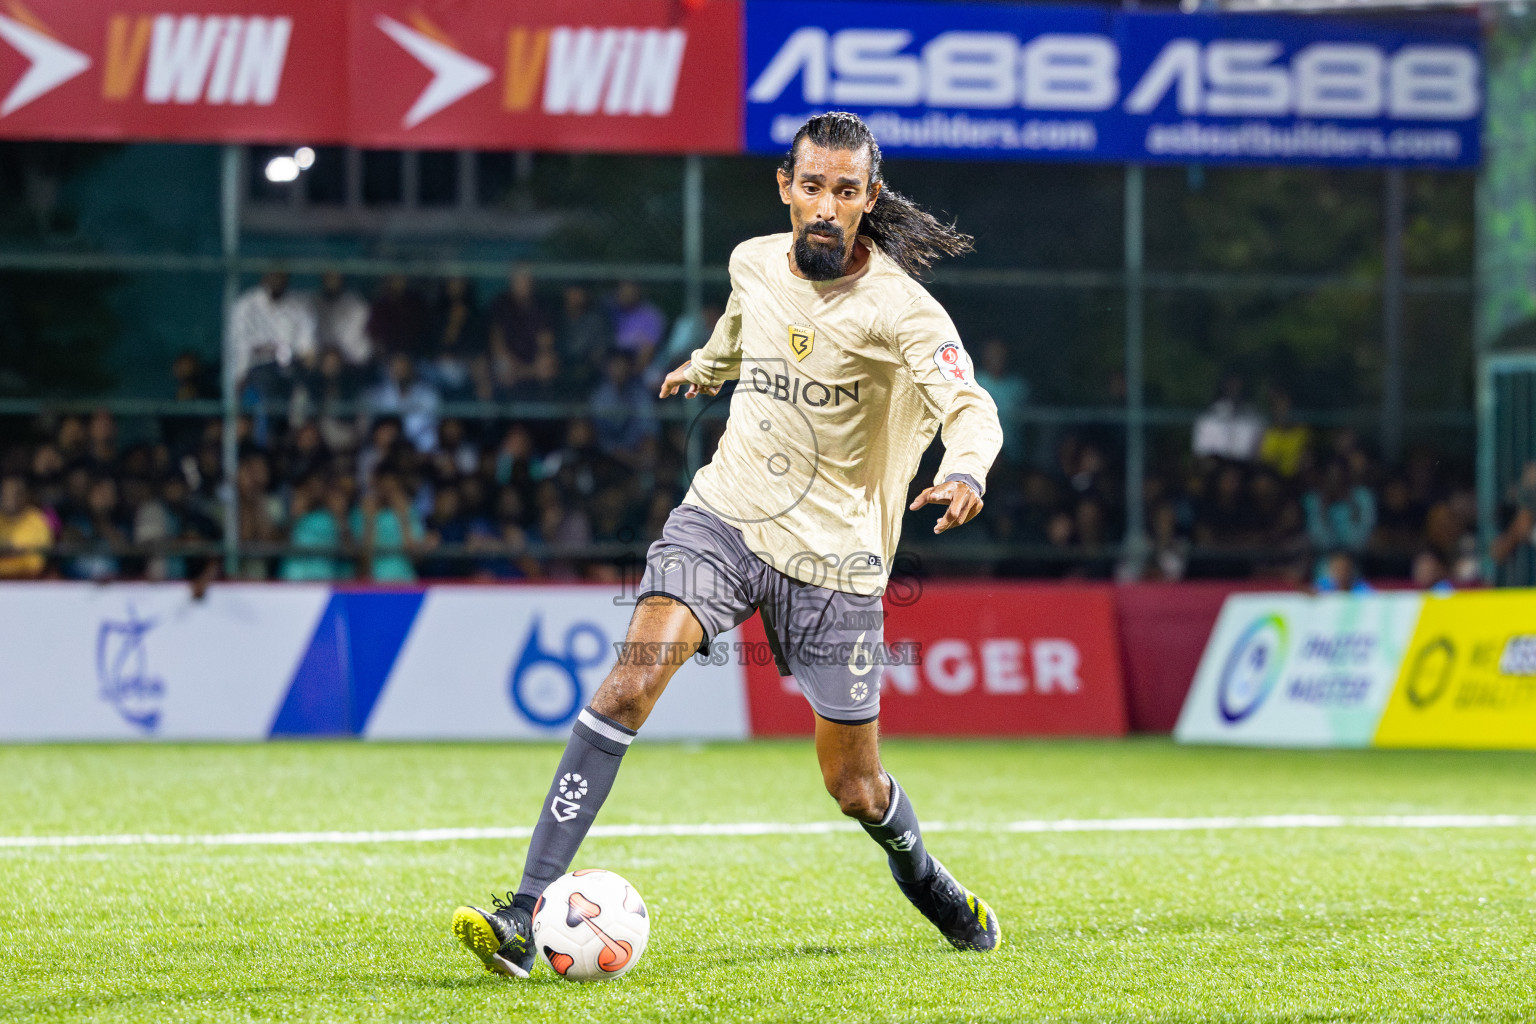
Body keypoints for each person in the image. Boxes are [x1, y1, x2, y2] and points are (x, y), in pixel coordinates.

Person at [451, 111, 1004, 977]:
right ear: (786, 185)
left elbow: (971, 406)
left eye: (846, 191)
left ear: (869, 199)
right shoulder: (753, 258)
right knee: (631, 683)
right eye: (812, 186)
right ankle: (524, 910)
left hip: (837, 562)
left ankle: (923, 874)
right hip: (725, 517)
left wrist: (967, 470)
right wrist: (707, 366)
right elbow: (745, 328)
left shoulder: (901, 308)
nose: (826, 206)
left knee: (854, 788)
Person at [228, 271, 317, 387]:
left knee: (307, 380)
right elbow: (239, 351)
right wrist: (239, 377)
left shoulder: (299, 306)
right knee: (266, 380)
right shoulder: (246, 306)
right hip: (257, 368)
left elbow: (307, 350)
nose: (277, 281)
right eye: (273, 275)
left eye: (281, 275)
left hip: (291, 367)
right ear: (264, 277)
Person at [0, 473, 52, 578]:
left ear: (24, 495)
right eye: (6, 493)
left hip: (27, 583)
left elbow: (37, 563)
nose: (10, 498)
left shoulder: (38, 521)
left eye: (16, 493)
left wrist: (12, 555)